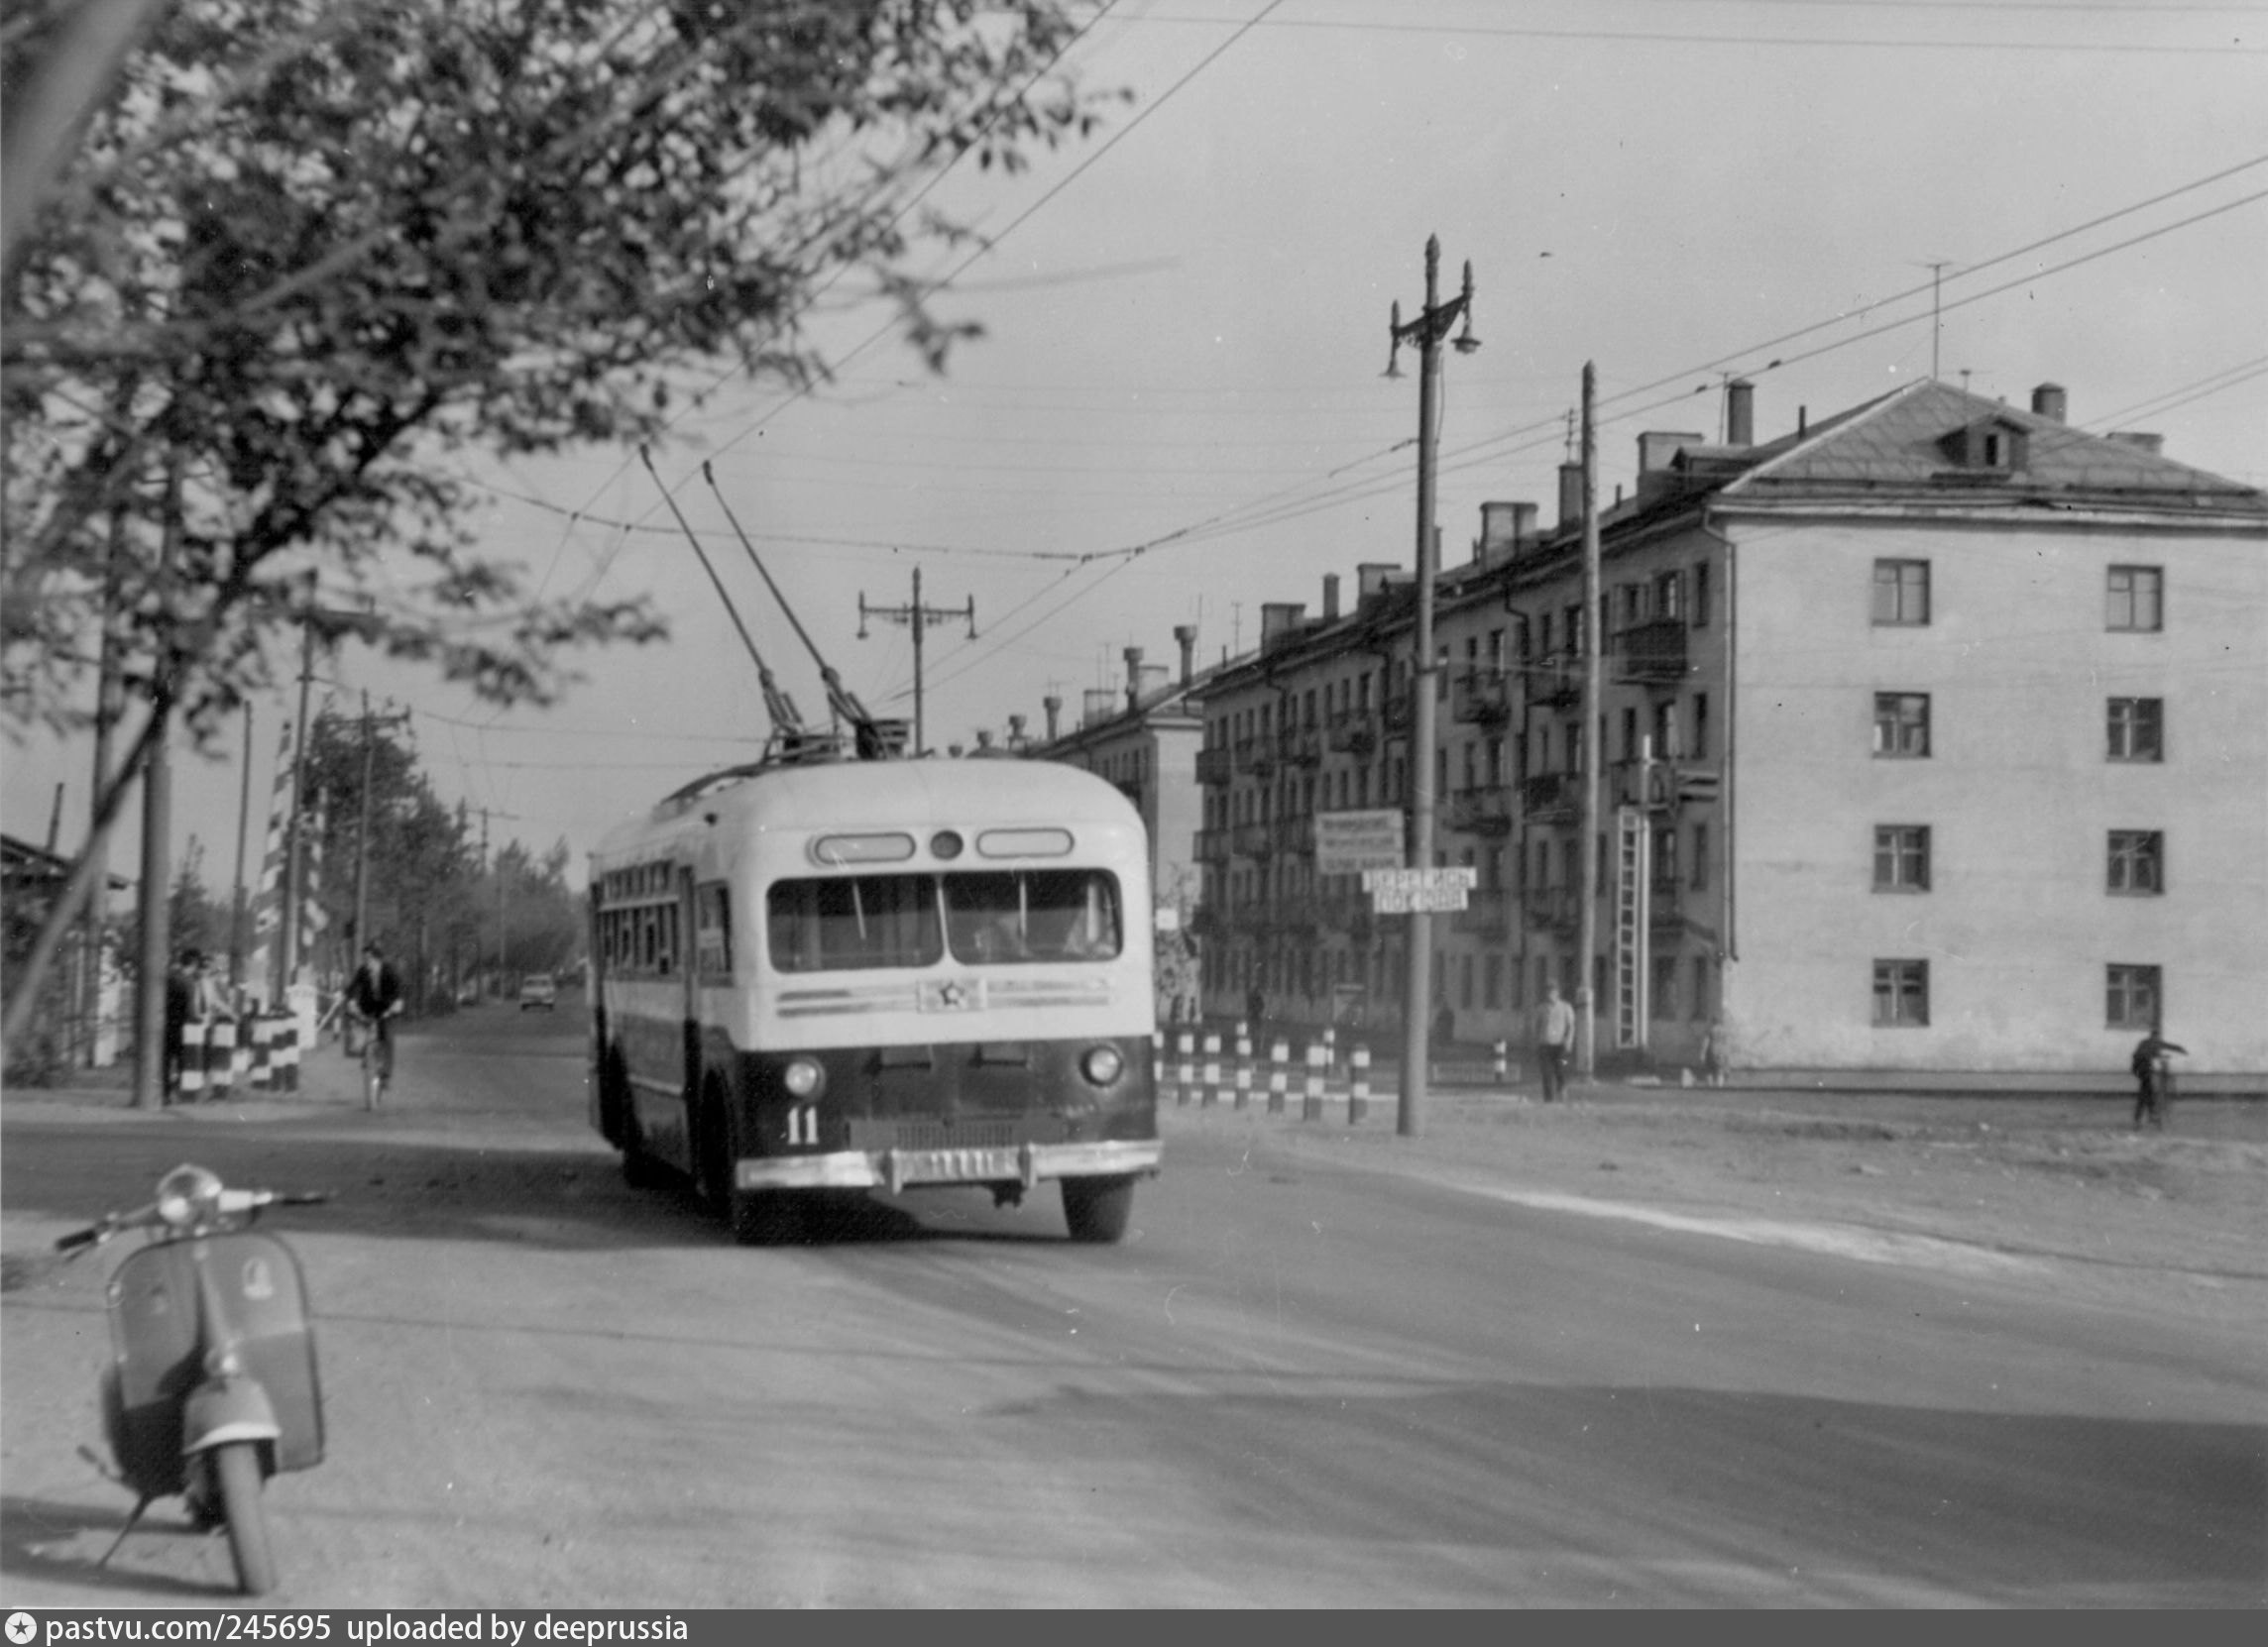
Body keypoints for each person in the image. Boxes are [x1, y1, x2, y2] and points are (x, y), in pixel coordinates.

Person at [346, 940, 406, 1090]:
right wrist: (349, 999)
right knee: (358, 1030)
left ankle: (386, 1076)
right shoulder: (363, 971)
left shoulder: (389, 971)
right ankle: (366, 1055)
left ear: (378, 960)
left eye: (369, 960)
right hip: (368, 1007)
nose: (366, 964)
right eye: (365, 960)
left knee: (387, 1037)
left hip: (387, 1008)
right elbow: (352, 987)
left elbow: (398, 990)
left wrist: (397, 1003)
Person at [2129, 1029, 2187, 1133]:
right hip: (2144, 1068)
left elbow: (2146, 1054)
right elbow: (2169, 1046)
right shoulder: (2155, 1042)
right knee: (2145, 1094)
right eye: (2158, 1037)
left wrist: (2159, 1056)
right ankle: (2144, 1118)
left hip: (2137, 1069)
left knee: (2148, 1091)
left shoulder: (2143, 1042)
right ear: (2156, 1036)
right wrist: (2181, 1049)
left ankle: (2150, 1116)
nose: (2159, 1039)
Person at [162, 947, 197, 1104]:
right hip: (182, 1026)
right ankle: (176, 1087)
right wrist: (194, 1018)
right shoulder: (188, 982)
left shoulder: (170, 978)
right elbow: (190, 1007)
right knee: (182, 1060)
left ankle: (166, 1092)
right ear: (194, 964)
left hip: (167, 1023)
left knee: (166, 1060)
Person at [1533, 982, 1576, 1103]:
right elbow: (1536, 1026)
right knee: (1546, 1073)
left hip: (1560, 1046)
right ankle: (1548, 1099)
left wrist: (1569, 1040)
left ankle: (1562, 1090)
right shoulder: (1541, 1008)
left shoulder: (1565, 1007)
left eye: (1552, 992)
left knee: (1561, 1068)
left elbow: (1571, 1026)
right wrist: (1537, 1041)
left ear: (1557, 993)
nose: (1550, 995)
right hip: (1545, 1045)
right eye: (1548, 992)